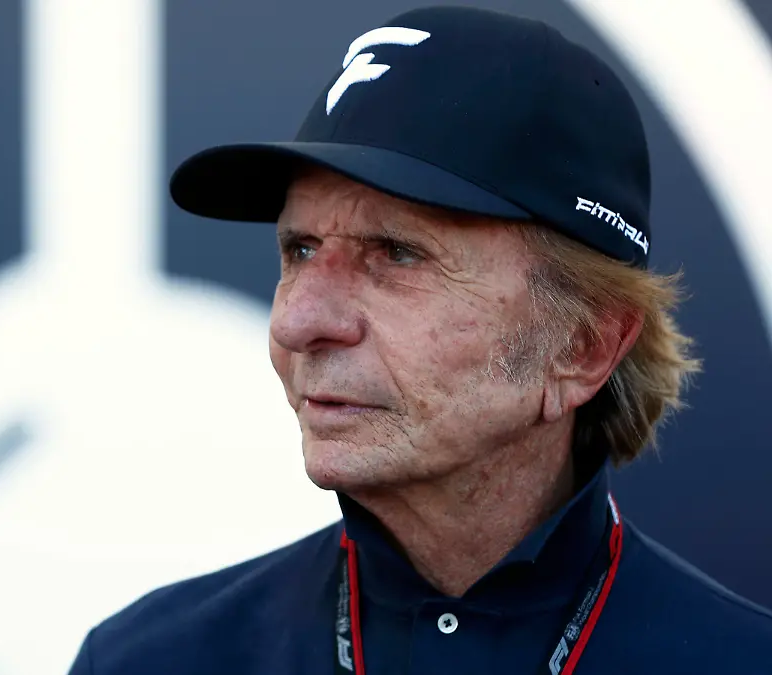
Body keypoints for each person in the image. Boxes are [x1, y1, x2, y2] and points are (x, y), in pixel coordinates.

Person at [67, 6, 772, 674]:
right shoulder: (148, 659)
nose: (297, 322)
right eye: (300, 250)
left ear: (582, 346)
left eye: (397, 254)